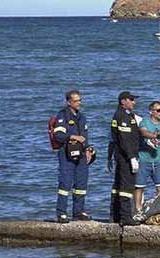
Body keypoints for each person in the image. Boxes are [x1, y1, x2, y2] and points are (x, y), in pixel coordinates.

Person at [52, 89, 95, 223]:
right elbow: (57, 135)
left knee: (81, 184)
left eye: (80, 100)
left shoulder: (82, 117)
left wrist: (88, 149)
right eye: (76, 101)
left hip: (81, 155)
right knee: (65, 184)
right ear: (69, 102)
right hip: (67, 154)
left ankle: (78, 212)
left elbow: (85, 137)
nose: (79, 103)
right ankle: (61, 213)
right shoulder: (62, 116)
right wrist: (72, 136)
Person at [108, 91, 142, 223]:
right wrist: (132, 157)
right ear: (123, 101)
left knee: (118, 185)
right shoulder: (122, 116)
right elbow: (124, 139)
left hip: (123, 155)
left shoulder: (128, 116)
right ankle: (125, 217)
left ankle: (115, 215)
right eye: (131, 99)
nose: (134, 102)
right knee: (126, 187)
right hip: (125, 157)